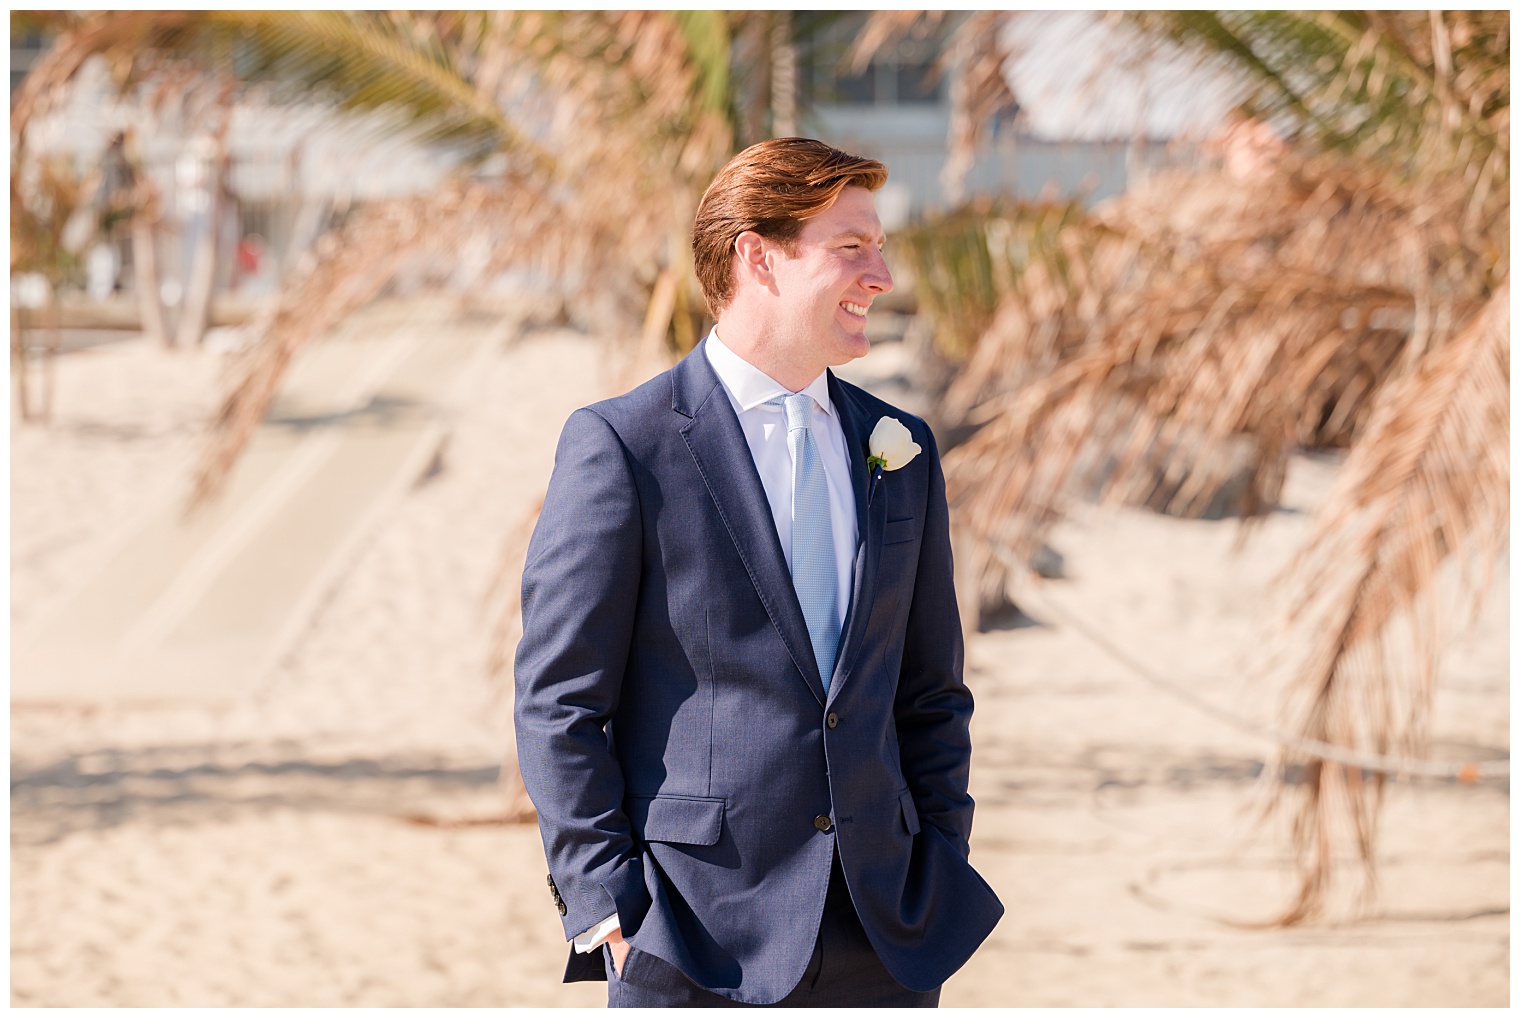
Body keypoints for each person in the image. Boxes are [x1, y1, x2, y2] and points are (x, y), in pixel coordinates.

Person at [514, 138, 1003, 1007]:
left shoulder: (902, 449)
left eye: (879, 246)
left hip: (885, 932)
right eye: (852, 246)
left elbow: (929, 690)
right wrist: (604, 905)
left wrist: (938, 851)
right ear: (758, 256)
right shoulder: (625, 446)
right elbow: (560, 700)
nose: (881, 273)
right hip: (693, 937)